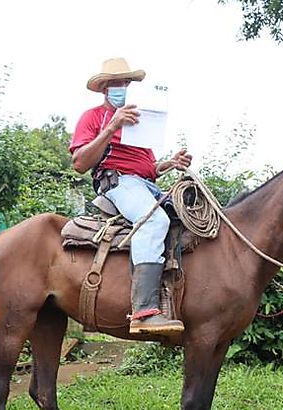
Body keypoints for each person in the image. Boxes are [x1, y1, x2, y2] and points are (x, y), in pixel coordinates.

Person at [69, 57, 192, 337]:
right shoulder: (93, 117)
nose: (122, 87)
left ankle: (174, 297)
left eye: (126, 82)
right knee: (154, 221)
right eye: (115, 83)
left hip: (142, 185)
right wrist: (111, 128)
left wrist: (170, 163)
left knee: (187, 217)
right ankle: (143, 311)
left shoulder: (141, 122)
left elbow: (147, 170)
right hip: (117, 183)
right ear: (104, 89)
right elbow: (79, 163)